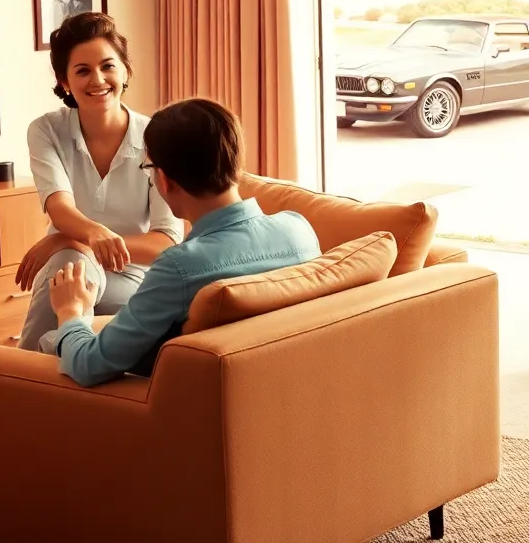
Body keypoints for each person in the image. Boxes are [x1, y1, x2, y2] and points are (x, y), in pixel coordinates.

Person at [44, 96, 322, 386]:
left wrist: (70, 310)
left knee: (53, 343)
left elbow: (88, 365)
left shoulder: (180, 267)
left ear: (163, 179)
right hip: (287, 392)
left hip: (173, 410)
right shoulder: (299, 230)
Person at [15, 12, 186, 352]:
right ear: (64, 81)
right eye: (82, 70)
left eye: (108, 66)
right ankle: (33, 383)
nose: (98, 79)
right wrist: (85, 241)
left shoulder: (158, 137)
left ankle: (24, 382)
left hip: (131, 277)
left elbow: (166, 242)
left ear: (125, 71)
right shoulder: (46, 130)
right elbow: (59, 205)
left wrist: (76, 240)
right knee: (72, 265)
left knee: (72, 260)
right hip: (68, 265)